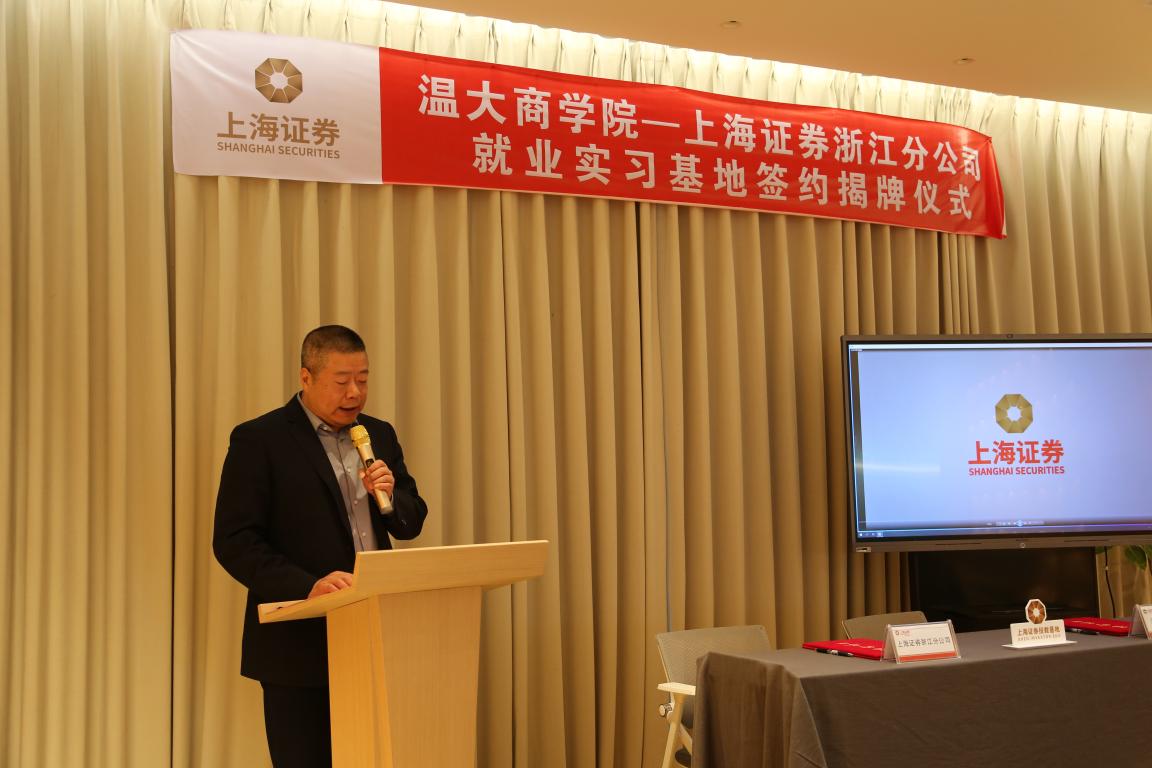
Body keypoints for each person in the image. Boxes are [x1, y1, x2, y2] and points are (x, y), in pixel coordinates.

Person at [213, 325, 428, 768]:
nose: (355, 393)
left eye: (363, 379)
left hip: (377, 635)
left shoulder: (378, 433)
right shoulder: (260, 439)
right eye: (341, 381)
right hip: (299, 645)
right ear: (306, 377)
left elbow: (411, 522)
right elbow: (234, 541)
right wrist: (307, 585)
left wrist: (390, 499)